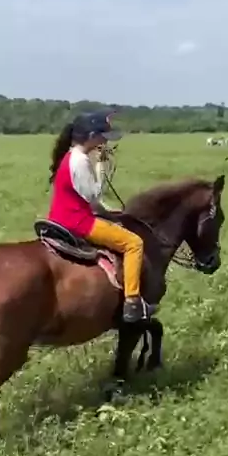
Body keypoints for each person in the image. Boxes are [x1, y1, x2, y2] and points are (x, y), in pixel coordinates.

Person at [47, 111, 148, 323]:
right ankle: (132, 300)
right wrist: (102, 167)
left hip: (62, 217)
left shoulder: (70, 156)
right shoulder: (80, 161)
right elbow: (93, 195)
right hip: (78, 222)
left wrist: (108, 213)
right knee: (134, 243)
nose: (105, 141)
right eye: (103, 136)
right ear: (92, 136)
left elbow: (89, 201)